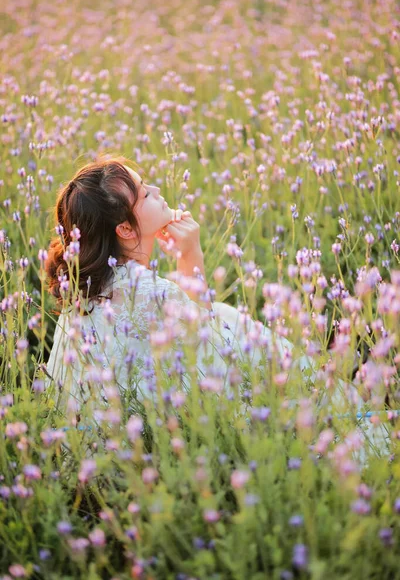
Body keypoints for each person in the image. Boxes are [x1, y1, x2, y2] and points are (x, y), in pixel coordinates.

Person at [44, 155, 390, 464]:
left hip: (95, 451)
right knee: (235, 328)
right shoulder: (149, 292)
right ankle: (339, 413)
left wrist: (187, 255)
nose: (157, 188)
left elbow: (193, 325)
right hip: (156, 448)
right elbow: (211, 351)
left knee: (225, 315)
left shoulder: (86, 286)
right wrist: (192, 253)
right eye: (145, 193)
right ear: (124, 228)